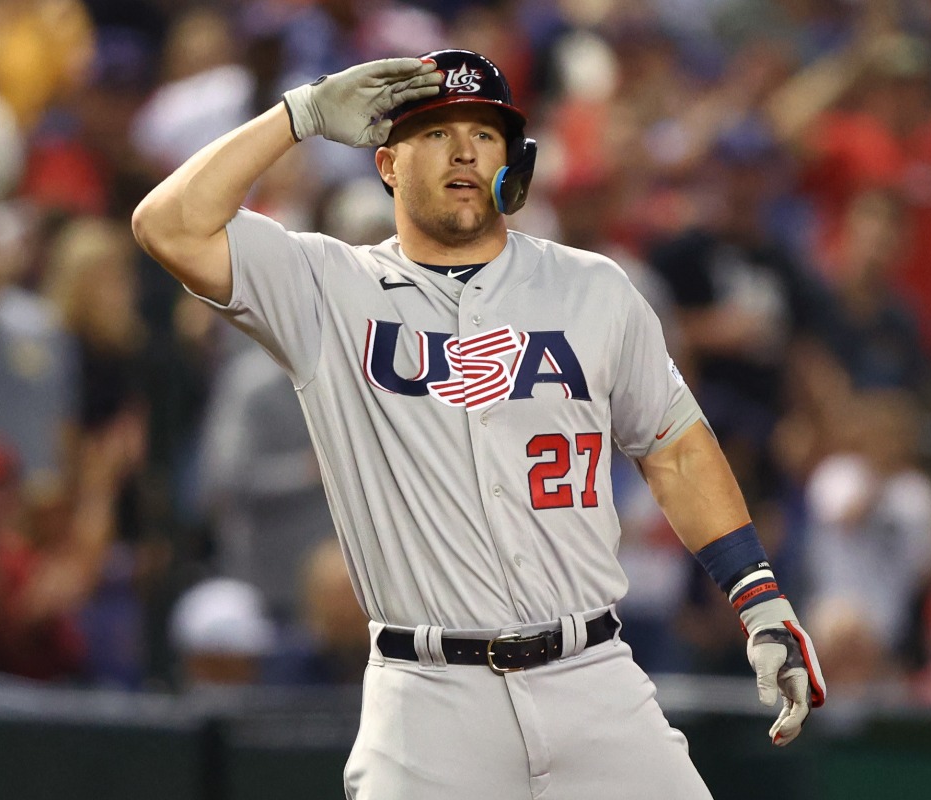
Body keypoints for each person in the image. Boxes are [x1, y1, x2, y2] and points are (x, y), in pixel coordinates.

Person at [133, 49, 825, 799]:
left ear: (514, 161)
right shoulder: (328, 288)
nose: (464, 150)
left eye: (485, 133)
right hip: (429, 701)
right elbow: (169, 226)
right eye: (436, 132)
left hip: (593, 676)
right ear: (388, 163)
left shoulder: (592, 287)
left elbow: (675, 449)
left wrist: (760, 598)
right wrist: (298, 116)